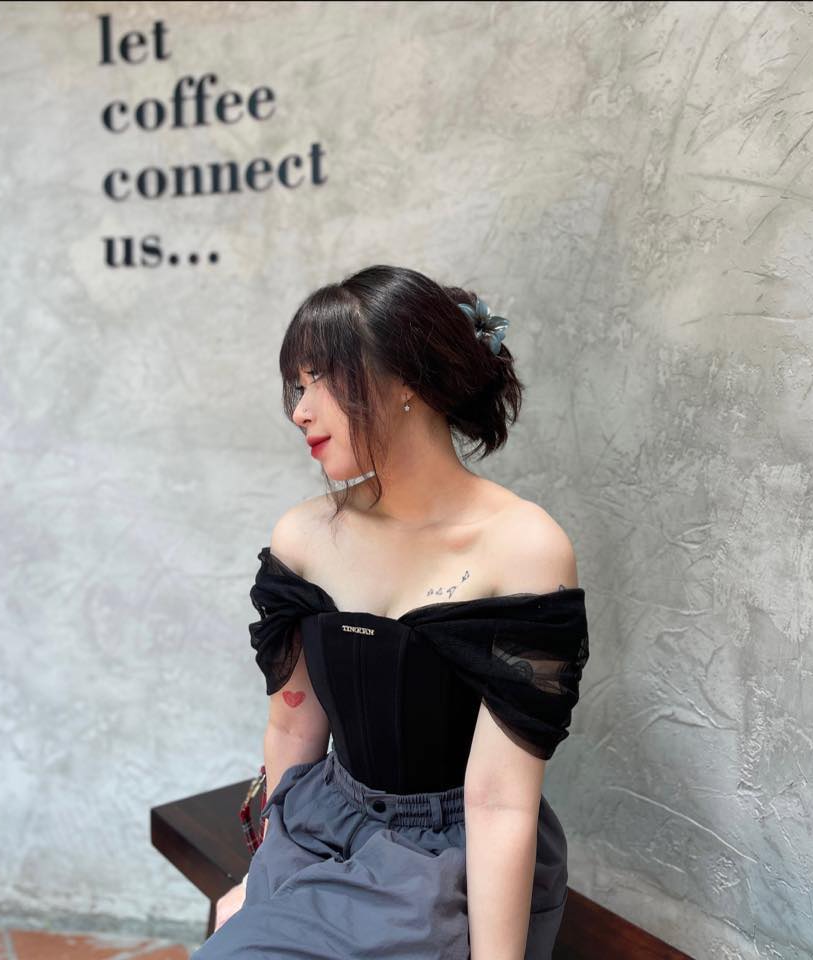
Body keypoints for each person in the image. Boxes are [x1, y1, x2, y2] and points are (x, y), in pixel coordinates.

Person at [191, 264, 590, 960]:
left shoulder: (524, 548)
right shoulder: (303, 537)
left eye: (322, 379)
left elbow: (499, 800)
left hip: (450, 861)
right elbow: (292, 729)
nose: (300, 410)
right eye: (298, 385)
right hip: (323, 825)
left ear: (407, 379)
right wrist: (262, 877)